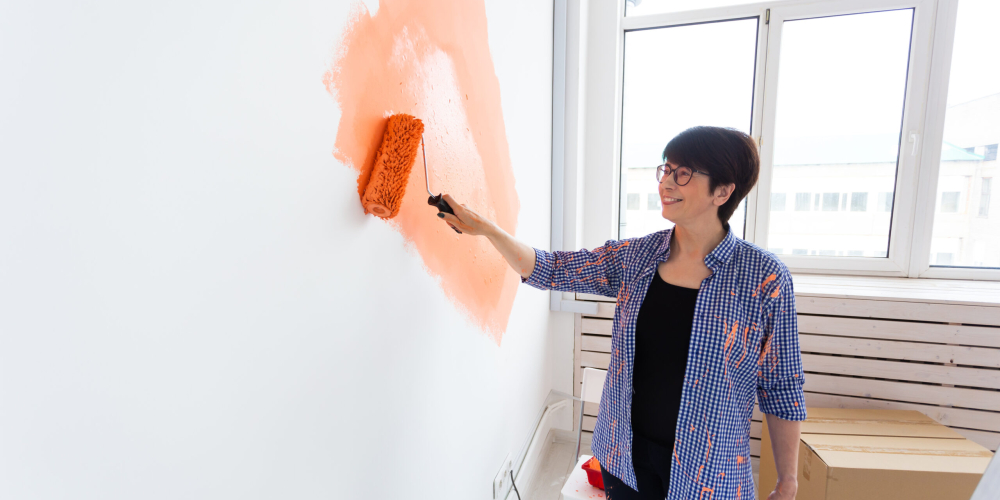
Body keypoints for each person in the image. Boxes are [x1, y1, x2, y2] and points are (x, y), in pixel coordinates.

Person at [436, 126, 805, 500]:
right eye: (667, 169)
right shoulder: (636, 257)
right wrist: (488, 231)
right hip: (624, 458)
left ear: (723, 191)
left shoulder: (764, 278)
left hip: (710, 471)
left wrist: (787, 481)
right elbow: (553, 268)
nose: (667, 183)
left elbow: (782, 388)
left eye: (684, 173)